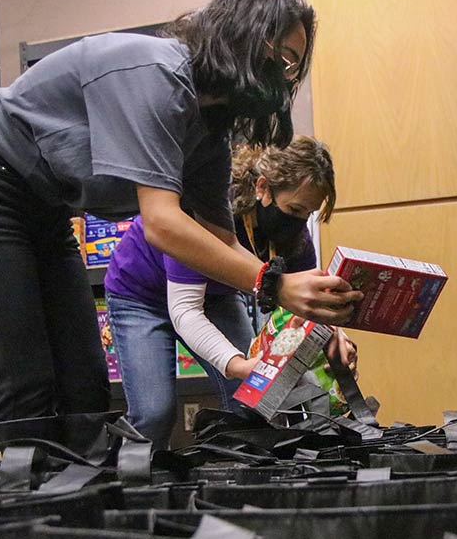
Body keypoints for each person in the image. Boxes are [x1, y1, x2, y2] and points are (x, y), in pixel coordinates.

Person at [0, 0, 362, 423]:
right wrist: (273, 284)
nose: (285, 78)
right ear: (247, 34)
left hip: (46, 210)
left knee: (86, 386)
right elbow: (162, 224)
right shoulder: (156, 73)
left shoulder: (209, 129)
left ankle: (73, 492)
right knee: (28, 383)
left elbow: (220, 240)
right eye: (284, 58)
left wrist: (306, 309)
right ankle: (21, 490)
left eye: (294, 67)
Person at [105, 136, 355, 448]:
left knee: (248, 404)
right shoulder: (209, 209)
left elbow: (306, 306)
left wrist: (334, 336)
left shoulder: (293, 235)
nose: (299, 221)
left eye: (308, 212)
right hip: (141, 296)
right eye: (294, 208)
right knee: (155, 412)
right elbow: (185, 310)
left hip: (217, 296)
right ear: (262, 187)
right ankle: (130, 487)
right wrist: (237, 365)